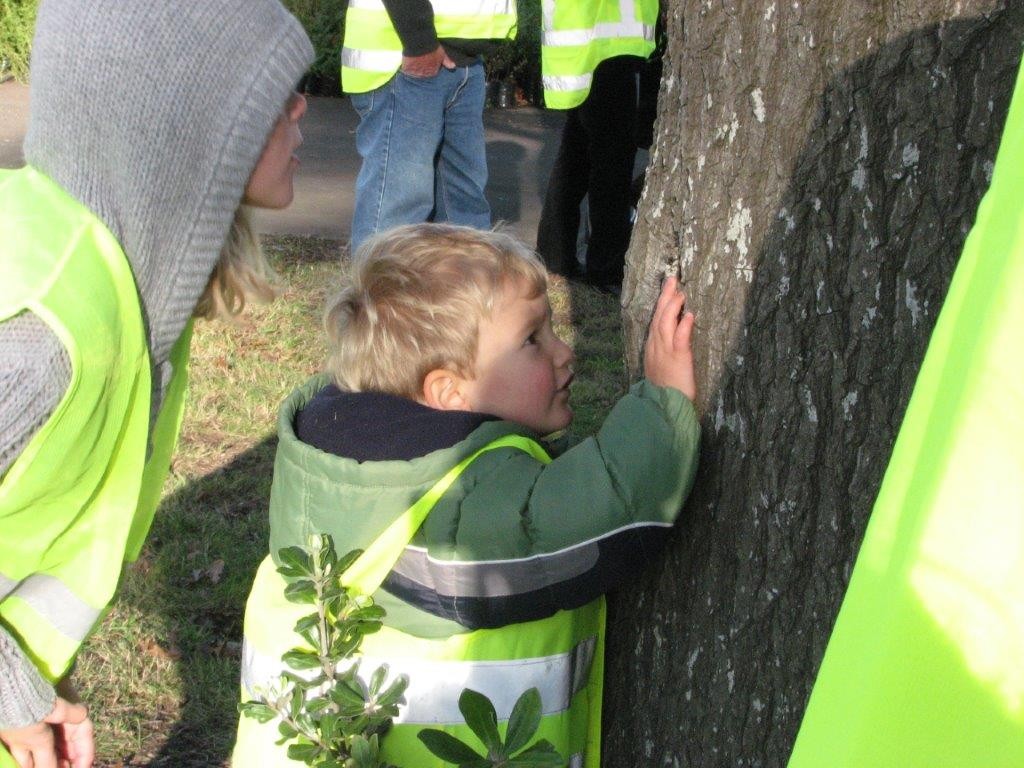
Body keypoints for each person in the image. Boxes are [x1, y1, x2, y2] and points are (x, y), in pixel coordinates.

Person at [232, 223, 701, 766]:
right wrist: (661, 405)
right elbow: (598, 510)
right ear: (449, 391)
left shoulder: (351, 470)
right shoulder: (458, 509)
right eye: (532, 340)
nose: (564, 352)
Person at [0, 2, 314, 767]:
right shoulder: (47, 340)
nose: (303, 106)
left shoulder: (121, 285)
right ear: (185, 117)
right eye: (270, 94)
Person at [341, 0, 516, 251]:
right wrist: (419, 41)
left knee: (465, 213)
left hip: (459, 59)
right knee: (396, 223)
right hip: (407, 56)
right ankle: (383, 291)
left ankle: (462, 291)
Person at [535, 0, 661, 292]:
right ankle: (605, 268)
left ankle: (556, 254)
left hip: (589, 47)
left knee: (577, 159)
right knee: (611, 167)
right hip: (608, 48)